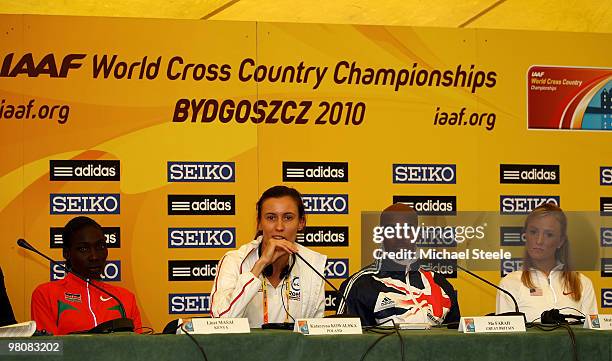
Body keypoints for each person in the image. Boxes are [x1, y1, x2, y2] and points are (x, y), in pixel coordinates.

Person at [210, 185, 327, 327]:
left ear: (301, 223)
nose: (279, 227)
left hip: (296, 349)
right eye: (271, 218)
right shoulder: (234, 261)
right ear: (259, 223)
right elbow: (221, 322)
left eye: (288, 218)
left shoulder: (313, 264)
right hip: (244, 349)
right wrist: (261, 264)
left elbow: (317, 331)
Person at [337, 203, 460, 326]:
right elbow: (347, 342)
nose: (400, 236)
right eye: (392, 230)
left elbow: (457, 338)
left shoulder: (439, 283)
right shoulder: (359, 286)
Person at [31, 216, 142, 335]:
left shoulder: (125, 298)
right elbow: (50, 348)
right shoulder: (46, 294)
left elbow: (138, 349)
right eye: (83, 249)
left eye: (100, 247)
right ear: (66, 253)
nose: (94, 256)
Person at [496, 203, 598, 322]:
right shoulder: (509, 284)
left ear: (560, 241)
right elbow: (505, 339)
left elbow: (593, 336)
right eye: (533, 232)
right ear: (525, 235)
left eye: (549, 234)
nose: (539, 241)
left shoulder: (582, 283)